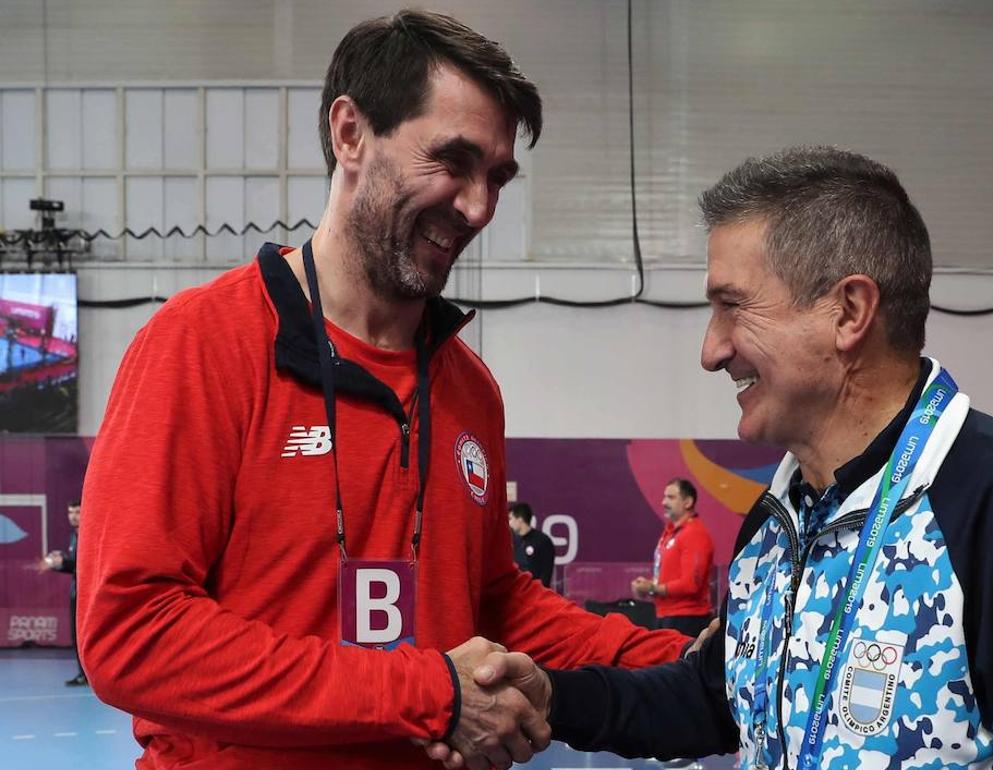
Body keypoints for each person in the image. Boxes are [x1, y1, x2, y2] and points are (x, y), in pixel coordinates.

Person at [77, 10, 687, 770]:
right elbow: (132, 632)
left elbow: (494, 602)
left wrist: (686, 660)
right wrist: (426, 691)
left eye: (497, 178)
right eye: (452, 160)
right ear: (350, 134)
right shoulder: (202, 344)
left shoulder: (469, 388)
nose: (478, 208)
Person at [428, 146, 993, 770]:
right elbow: (715, 702)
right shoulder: (779, 518)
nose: (711, 349)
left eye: (733, 306)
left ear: (849, 312)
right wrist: (553, 698)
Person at [631, 479, 715, 637]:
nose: (663, 502)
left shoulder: (694, 533)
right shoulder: (670, 533)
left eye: (671, 497)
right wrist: (648, 587)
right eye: (664, 497)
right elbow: (668, 577)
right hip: (666, 616)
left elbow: (691, 585)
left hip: (686, 619)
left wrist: (652, 588)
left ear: (688, 502)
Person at [40, 500, 86, 686]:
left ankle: (90, 674)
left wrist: (64, 562)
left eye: (77, 512)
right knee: (76, 635)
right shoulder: (74, 536)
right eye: (70, 512)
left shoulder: (88, 535)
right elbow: (75, 567)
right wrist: (57, 565)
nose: (73, 516)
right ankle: (83, 674)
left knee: (85, 635)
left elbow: (86, 566)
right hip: (76, 593)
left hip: (87, 595)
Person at [509, 502, 555, 588]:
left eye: (510, 519)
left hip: (535, 591)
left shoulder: (542, 541)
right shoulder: (512, 542)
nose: (509, 523)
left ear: (520, 519)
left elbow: (546, 572)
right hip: (516, 590)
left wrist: (538, 591)